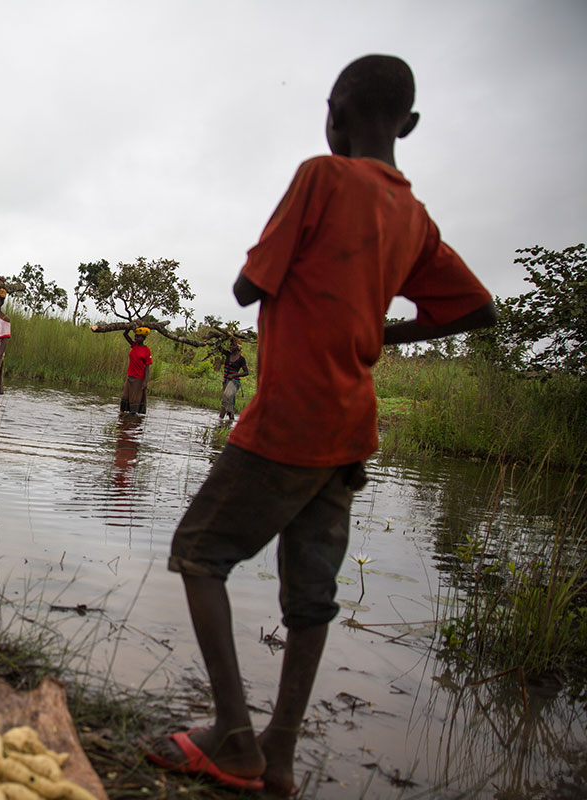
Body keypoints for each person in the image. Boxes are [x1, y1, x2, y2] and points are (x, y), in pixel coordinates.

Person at [146, 55, 496, 795]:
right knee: (311, 596)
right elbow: (475, 309)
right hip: (350, 432)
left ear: (333, 114)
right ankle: (279, 755)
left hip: (291, 416)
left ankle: (233, 736)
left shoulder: (322, 176)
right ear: (408, 125)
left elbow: (248, 287)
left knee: (199, 554)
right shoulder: (414, 218)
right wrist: (384, 328)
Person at [120, 326, 152, 414]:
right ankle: (123, 418)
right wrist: (131, 325)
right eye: (135, 336)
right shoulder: (134, 346)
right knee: (124, 397)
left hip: (139, 379)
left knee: (134, 400)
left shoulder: (146, 350)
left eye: (138, 336)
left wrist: (145, 382)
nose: (135, 338)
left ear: (144, 338)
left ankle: (134, 419)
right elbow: (125, 334)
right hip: (130, 376)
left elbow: (147, 367)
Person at [218, 339, 249, 422]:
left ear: (238, 347)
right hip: (226, 381)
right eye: (230, 344)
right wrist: (221, 338)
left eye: (233, 345)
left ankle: (220, 420)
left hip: (234, 382)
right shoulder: (228, 354)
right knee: (229, 401)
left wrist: (234, 375)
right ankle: (230, 420)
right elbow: (218, 346)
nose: (231, 346)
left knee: (226, 398)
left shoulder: (241, 359)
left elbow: (246, 372)